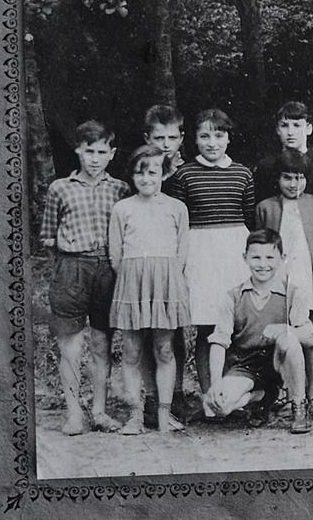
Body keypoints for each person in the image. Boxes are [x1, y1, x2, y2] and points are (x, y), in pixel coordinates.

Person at [39, 120, 131, 435]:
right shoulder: (59, 188)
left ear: (112, 153)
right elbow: (48, 237)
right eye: (88, 151)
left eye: (101, 152)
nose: (94, 158)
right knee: (71, 347)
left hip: (107, 269)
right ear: (78, 149)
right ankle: (74, 413)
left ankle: (100, 411)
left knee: (102, 344)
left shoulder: (120, 188)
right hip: (70, 268)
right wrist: (68, 266)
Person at [164, 109, 254, 399]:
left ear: (228, 138)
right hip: (201, 256)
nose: (212, 142)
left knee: (234, 326)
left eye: (218, 135)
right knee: (208, 327)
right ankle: (208, 394)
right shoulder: (185, 174)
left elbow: (250, 218)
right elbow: (177, 219)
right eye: (204, 136)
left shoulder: (242, 173)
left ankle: (232, 393)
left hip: (234, 254)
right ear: (194, 139)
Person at [108, 145, 191, 434]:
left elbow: (182, 252)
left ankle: (164, 414)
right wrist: (134, 278)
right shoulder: (123, 208)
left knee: (164, 348)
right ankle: (135, 416)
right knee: (131, 351)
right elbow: (116, 255)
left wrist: (167, 278)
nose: (146, 179)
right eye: (139, 173)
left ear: (163, 174)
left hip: (166, 281)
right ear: (132, 176)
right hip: (132, 281)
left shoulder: (176, 208)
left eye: (153, 172)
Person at [203, 229, 313, 434]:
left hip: (278, 362)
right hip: (245, 365)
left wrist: (285, 330)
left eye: (270, 257)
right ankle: (262, 397)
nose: (263, 264)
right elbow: (219, 341)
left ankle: (299, 406)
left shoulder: (292, 292)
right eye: (256, 257)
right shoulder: (234, 296)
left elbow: (309, 337)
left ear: (282, 259)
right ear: (245, 258)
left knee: (289, 339)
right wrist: (215, 383)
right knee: (220, 406)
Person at [255, 149, 313, 414]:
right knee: (283, 335)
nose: (293, 184)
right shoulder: (266, 207)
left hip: (309, 276)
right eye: (287, 177)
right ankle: (287, 394)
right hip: (279, 279)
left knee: (312, 334)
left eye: (299, 178)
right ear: (278, 179)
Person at [139, 105, 189, 424]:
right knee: (148, 330)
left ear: (182, 138)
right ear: (148, 137)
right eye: (160, 137)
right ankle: (150, 398)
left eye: (173, 137)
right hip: (147, 260)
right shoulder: (142, 169)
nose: (167, 144)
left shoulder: (187, 169)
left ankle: (178, 392)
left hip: (179, 255)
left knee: (175, 330)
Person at [254, 101, 313, 203]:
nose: (290, 132)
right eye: (284, 125)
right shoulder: (266, 166)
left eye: (297, 125)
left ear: (308, 129)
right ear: (277, 130)